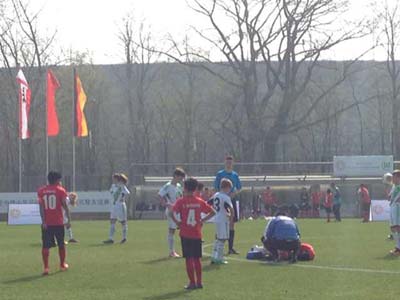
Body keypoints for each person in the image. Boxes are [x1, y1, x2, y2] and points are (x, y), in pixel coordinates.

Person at [171, 177, 216, 290]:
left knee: (188, 258)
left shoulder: (181, 201)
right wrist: (202, 221)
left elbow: (171, 212)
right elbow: (213, 212)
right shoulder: (199, 201)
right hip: (197, 233)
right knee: (197, 259)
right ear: (195, 188)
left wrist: (177, 222)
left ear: (185, 188)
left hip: (185, 233)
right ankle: (199, 282)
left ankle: (192, 283)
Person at [38, 171, 71, 275]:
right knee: (61, 244)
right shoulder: (60, 190)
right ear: (57, 180)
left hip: (47, 223)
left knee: (45, 246)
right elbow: (65, 206)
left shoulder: (41, 191)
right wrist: (69, 220)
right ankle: (62, 264)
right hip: (58, 222)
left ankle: (46, 268)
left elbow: (41, 207)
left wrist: (43, 221)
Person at [214, 155, 242, 254]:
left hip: (232, 200)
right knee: (221, 222)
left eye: (230, 162)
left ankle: (230, 248)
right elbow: (216, 187)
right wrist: (222, 196)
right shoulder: (220, 174)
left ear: (233, 163)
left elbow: (239, 187)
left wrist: (233, 194)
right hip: (223, 201)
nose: (229, 164)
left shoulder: (235, 175)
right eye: (227, 162)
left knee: (231, 223)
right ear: (225, 162)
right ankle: (217, 247)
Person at [158, 168, 186, 257]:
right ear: (175, 176)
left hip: (180, 210)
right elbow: (160, 195)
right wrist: (167, 205)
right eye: (180, 178)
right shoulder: (168, 185)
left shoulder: (178, 186)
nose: (181, 180)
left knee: (184, 229)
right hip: (172, 211)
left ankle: (185, 249)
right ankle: (171, 251)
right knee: (172, 230)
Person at [210, 178, 234, 264]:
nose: (230, 190)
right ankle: (219, 258)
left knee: (217, 238)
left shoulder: (216, 194)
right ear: (226, 187)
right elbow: (231, 209)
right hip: (223, 220)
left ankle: (214, 256)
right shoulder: (226, 197)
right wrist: (231, 219)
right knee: (222, 239)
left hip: (217, 218)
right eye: (229, 188)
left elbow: (208, 203)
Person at [103, 173, 130, 244]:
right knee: (112, 221)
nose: (113, 180)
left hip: (120, 206)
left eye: (114, 178)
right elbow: (111, 193)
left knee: (123, 222)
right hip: (114, 206)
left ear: (117, 179)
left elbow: (127, 193)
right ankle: (111, 238)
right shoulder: (113, 186)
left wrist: (123, 198)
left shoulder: (121, 186)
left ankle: (124, 238)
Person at [388, 170, 400, 255]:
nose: (392, 179)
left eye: (394, 177)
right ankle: (397, 247)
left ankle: (398, 249)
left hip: (398, 208)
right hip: (392, 207)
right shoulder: (394, 186)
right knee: (392, 228)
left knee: (397, 228)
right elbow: (389, 197)